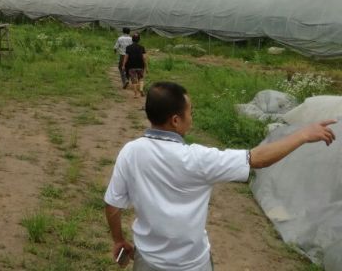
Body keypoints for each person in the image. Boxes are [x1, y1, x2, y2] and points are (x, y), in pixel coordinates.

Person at [104, 81, 336, 271]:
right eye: (190, 113)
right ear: (176, 120)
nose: (191, 118)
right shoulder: (198, 158)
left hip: (148, 262)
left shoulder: (131, 151)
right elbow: (258, 158)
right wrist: (303, 134)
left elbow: (113, 205)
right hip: (193, 264)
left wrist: (119, 241)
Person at [122, 33, 148, 98]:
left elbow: (126, 57)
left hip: (131, 66)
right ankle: (141, 90)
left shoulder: (128, 47)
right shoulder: (142, 47)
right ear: (139, 40)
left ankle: (136, 94)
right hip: (140, 66)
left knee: (134, 80)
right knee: (141, 78)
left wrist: (123, 65)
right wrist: (146, 66)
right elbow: (144, 58)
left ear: (132, 39)